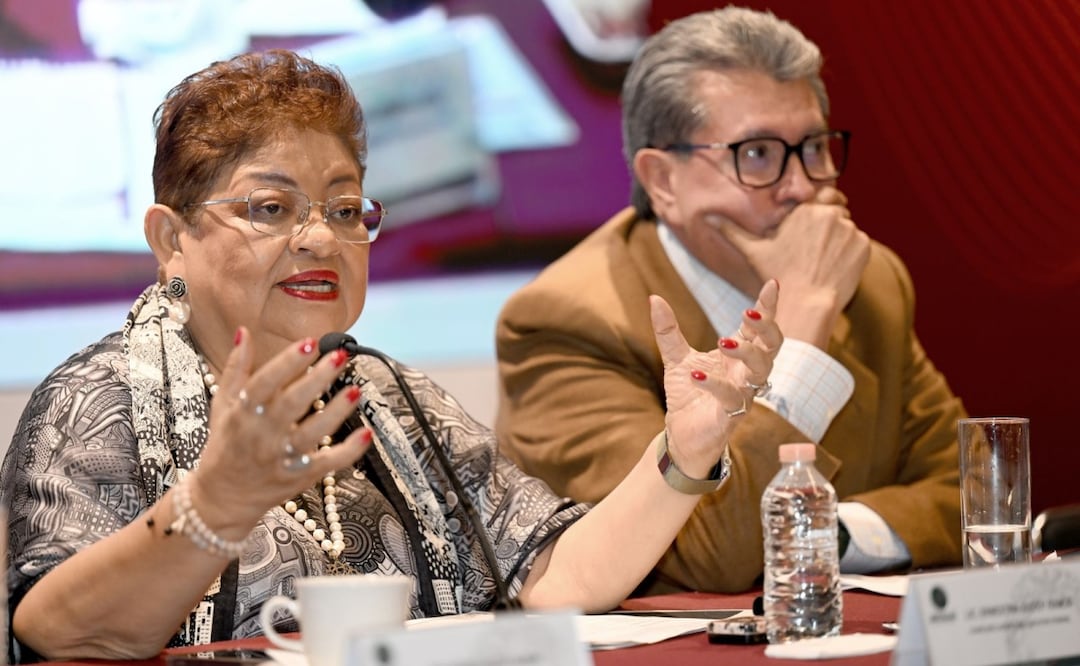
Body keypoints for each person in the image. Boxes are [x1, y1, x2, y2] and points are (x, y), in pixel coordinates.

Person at [0, 49, 782, 662]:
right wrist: (214, 505)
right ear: (172, 241)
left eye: (344, 209)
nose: (319, 237)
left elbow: (554, 578)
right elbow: (57, 633)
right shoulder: (91, 400)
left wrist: (682, 453)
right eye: (271, 208)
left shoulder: (384, 394)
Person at [495, 5, 965, 596]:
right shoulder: (567, 321)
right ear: (663, 180)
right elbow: (712, 554)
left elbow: (966, 492)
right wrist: (803, 320)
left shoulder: (870, 281)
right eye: (758, 155)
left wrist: (828, 533)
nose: (803, 188)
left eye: (815, 148)